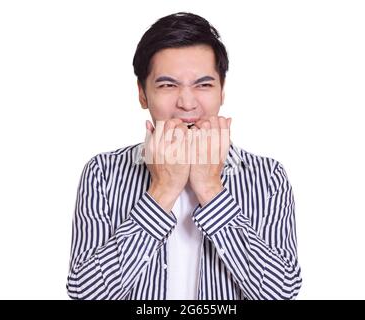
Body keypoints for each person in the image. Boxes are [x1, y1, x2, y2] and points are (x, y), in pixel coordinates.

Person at [66, 12, 302, 300]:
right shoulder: (102, 173)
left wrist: (211, 189)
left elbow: (282, 292)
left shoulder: (267, 177)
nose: (187, 103)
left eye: (203, 85)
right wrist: (163, 189)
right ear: (142, 94)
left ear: (222, 91)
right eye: (167, 85)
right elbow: (84, 293)